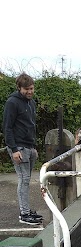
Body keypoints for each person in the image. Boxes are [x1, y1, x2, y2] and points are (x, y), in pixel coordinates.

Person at [2, 73, 43, 225]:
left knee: (27, 180)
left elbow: (30, 126)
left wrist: (33, 147)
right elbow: (7, 128)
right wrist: (14, 149)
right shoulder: (12, 103)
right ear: (19, 88)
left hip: (29, 146)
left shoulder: (31, 103)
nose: (30, 92)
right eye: (26, 89)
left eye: (31, 88)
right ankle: (24, 214)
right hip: (18, 146)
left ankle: (26, 210)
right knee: (24, 179)